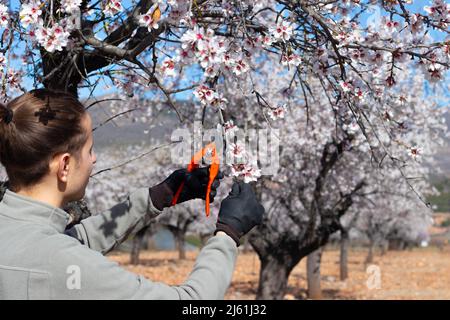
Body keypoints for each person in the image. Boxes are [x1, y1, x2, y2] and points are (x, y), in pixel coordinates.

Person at [0, 89, 264, 300]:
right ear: (65, 165)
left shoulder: (18, 233)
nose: (94, 159)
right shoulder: (63, 262)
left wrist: (158, 197)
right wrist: (228, 234)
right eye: (90, 149)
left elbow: (75, 240)